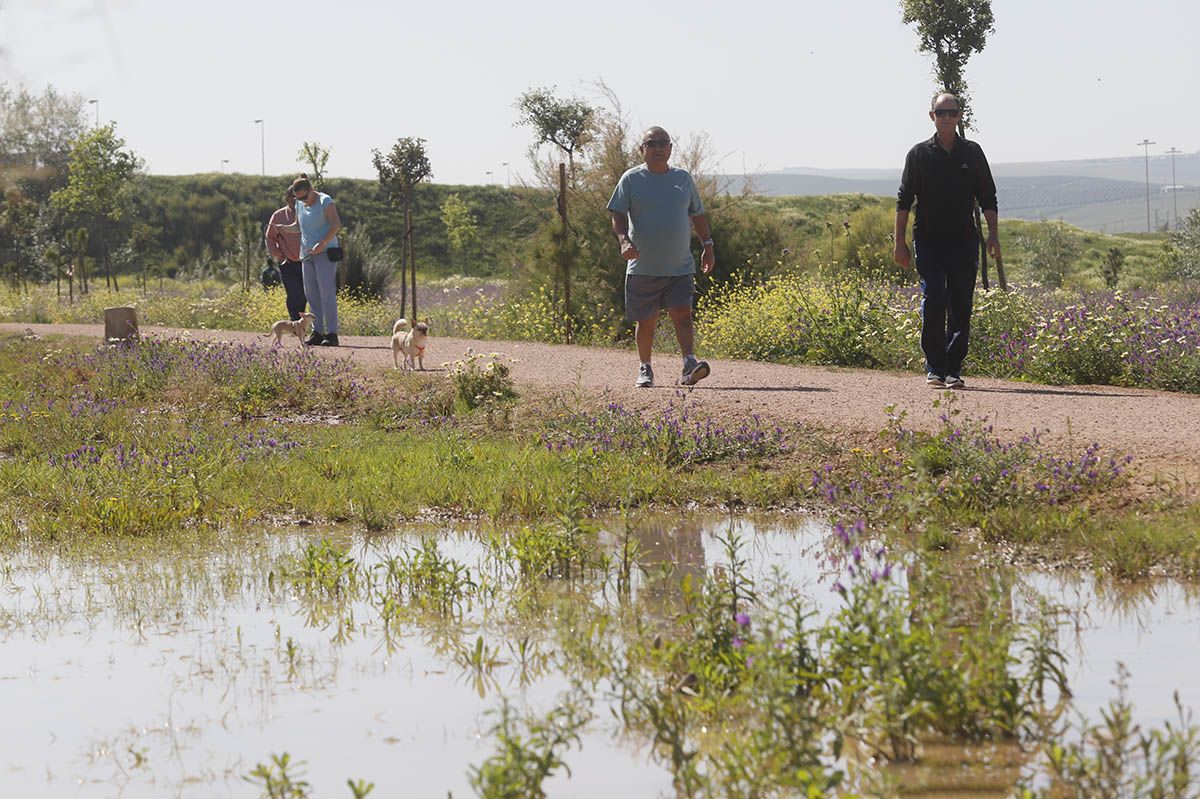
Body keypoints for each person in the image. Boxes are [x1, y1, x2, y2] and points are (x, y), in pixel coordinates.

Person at [894, 92, 1000, 390]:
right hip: (928, 240)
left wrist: (993, 236)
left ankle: (953, 369)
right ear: (932, 116)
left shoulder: (972, 153)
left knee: (961, 303)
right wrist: (899, 243)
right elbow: (904, 200)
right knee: (935, 299)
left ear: (959, 116)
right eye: (941, 113)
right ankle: (935, 367)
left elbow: (988, 197)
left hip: (964, 240)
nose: (947, 118)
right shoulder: (918, 154)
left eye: (952, 112)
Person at [607, 126, 715, 388]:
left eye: (662, 143)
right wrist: (623, 241)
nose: (657, 148)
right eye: (651, 143)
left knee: (683, 314)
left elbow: (697, 214)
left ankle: (689, 364)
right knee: (646, 321)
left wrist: (708, 245)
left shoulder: (683, 179)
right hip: (643, 266)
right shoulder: (631, 179)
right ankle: (645, 368)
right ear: (642, 149)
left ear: (670, 149)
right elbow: (617, 213)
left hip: (680, 266)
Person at [275, 174, 343, 346]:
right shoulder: (299, 204)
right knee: (311, 294)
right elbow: (298, 226)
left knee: (327, 293)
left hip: (325, 253)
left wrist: (323, 242)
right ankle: (317, 331)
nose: (302, 200)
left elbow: (336, 225)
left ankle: (332, 334)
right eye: (298, 198)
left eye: (305, 196)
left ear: (311, 189)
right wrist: (285, 229)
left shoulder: (325, 201)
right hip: (306, 255)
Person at [264, 187, 306, 323]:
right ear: (287, 198)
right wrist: (279, 255)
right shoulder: (278, 215)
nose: (295, 201)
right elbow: (270, 238)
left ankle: (301, 323)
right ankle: (294, 321)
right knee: (294, 293)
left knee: (305, 294)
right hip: (287, 262)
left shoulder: (308, 213)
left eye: (298, 198)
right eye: (292, 198)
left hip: (307, 261)